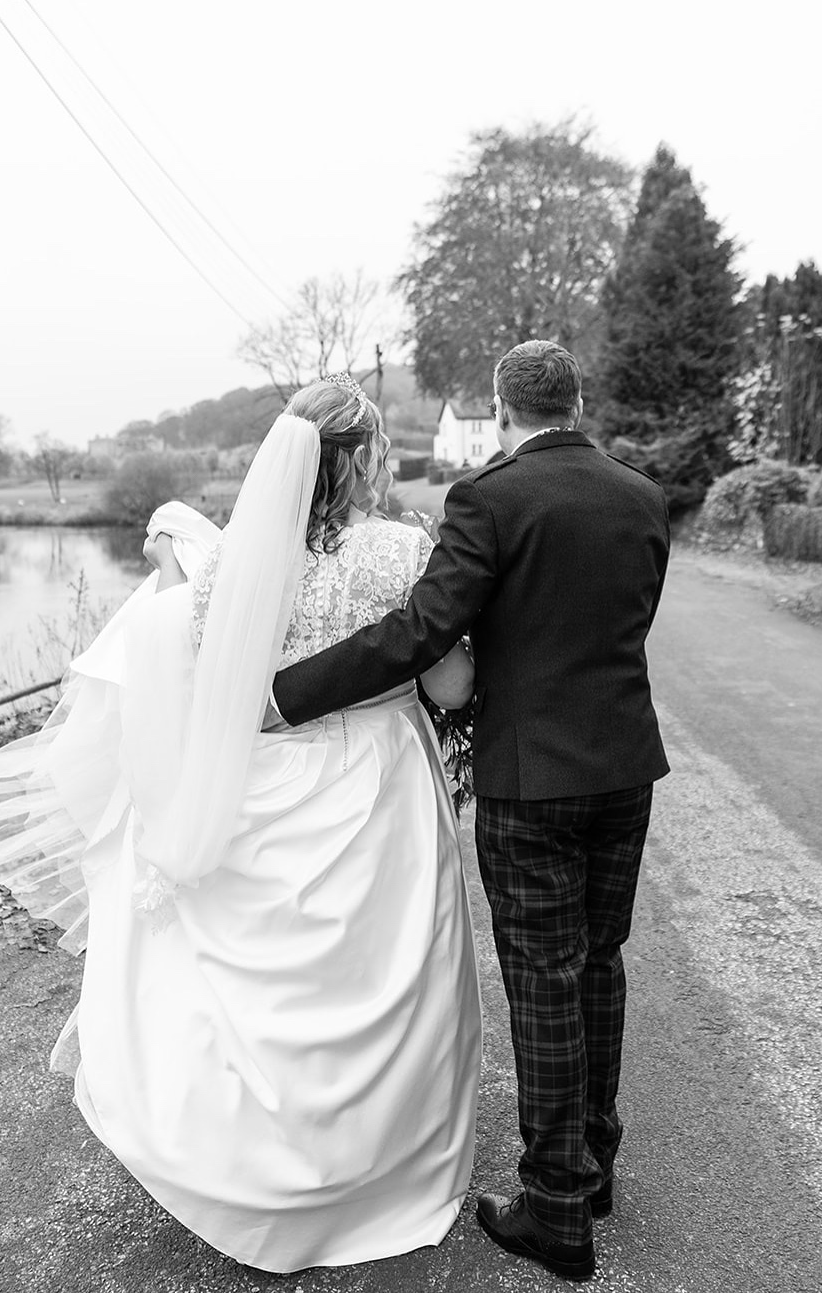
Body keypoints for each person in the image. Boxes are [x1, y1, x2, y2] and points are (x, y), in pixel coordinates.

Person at [0, 376, 482, 1274]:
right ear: (359, 461)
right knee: (386, 966)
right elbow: (450, 688)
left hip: (266, 780)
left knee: (264, 985)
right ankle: (378, 1175)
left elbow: (207, 677)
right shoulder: (400, 550)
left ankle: (249, 1169)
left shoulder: (238, 558)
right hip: (376, 782)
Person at [272, 341, 671, 1282]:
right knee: (598, 962)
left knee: (542, 975)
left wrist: (288, 695)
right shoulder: (644, 496)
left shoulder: (486, 500)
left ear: (501, 409)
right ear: (577, 399)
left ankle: (555, 1207)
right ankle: (592, 1162)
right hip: (622, 767)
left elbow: (421, 632)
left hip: (531, 777)